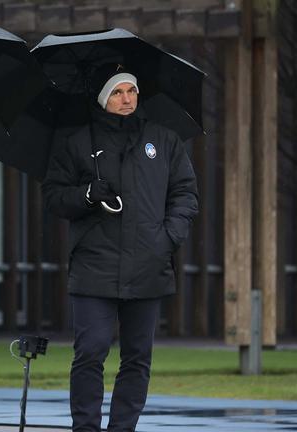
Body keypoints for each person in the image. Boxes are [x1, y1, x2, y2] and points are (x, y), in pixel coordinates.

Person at [42, 63, 198, 432]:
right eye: (117, 92)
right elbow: (52, 197)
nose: (126, 99)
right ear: (102, 98)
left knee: (137, 358)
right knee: (91, 352)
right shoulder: (78, 142)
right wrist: (85, 194)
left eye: (131, 90)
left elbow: (185, 194)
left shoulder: (163, 140)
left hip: (149, 266)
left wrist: (166, 238)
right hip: (94, 266)